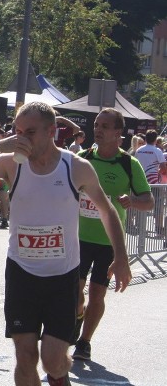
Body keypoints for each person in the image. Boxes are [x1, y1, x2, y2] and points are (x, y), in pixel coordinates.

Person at [0, 101, 131, 386]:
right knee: (25, 358)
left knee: (53, 361)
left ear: (51, 131)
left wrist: (120, 258)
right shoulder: (10, 163)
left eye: (30, 132)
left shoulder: (76, 167)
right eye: (17, 131)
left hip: (62, 278)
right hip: (22, 273)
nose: (21, 138)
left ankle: (61, 370)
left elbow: (106, 210)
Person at [72, 109, 153, 362]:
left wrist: (133, 201)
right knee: (74, 292)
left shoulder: (129, 163)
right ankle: (77, 311)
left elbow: (149, 201)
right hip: (79, 238)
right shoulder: (82, 158)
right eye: (97, 124)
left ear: (118, 133)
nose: (98, 129)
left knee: (98, 293)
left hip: (109, 242)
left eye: (105, 126)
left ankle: (84, 342)